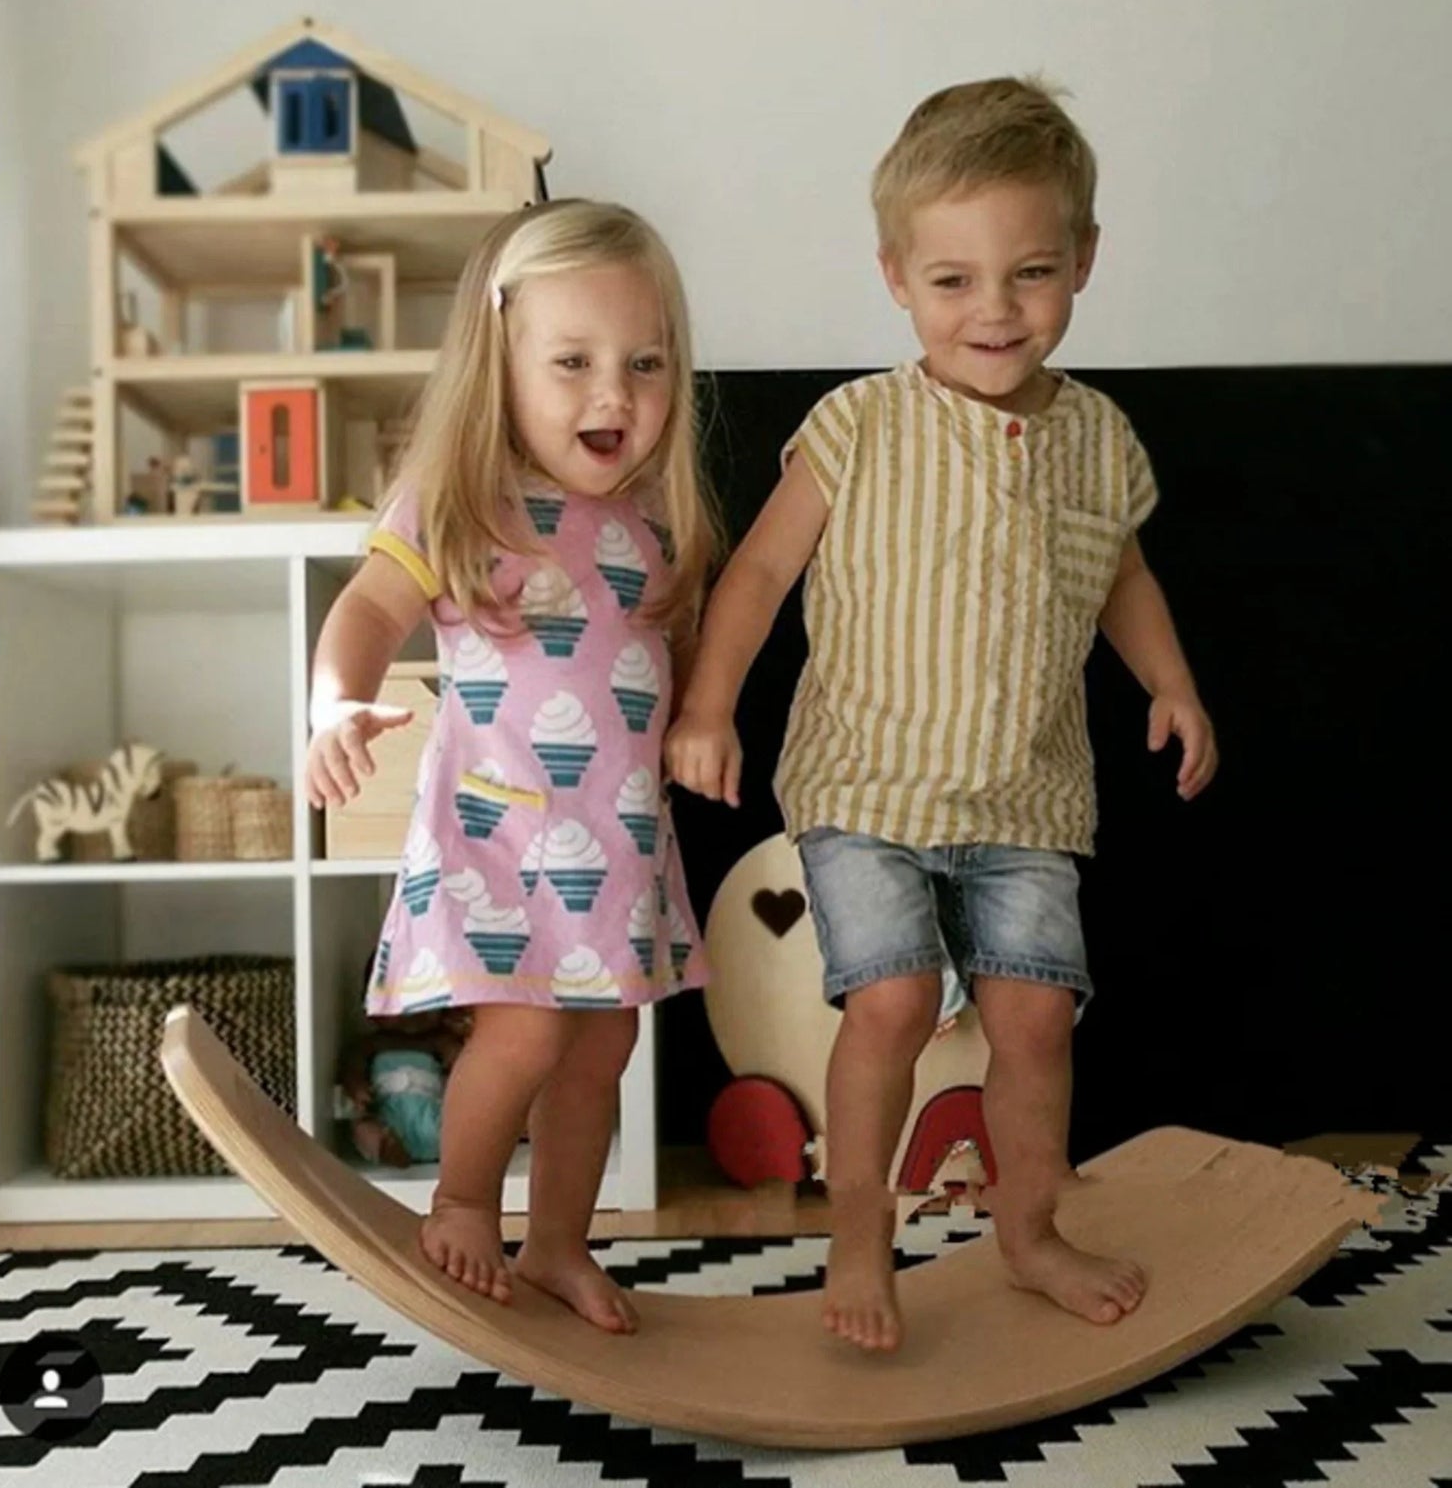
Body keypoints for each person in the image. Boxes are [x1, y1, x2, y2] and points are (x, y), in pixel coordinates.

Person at [666, 78, 1218, 1353]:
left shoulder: (1098, 440)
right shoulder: (858, 426)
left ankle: (1030, 1229)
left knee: (1036, 1018)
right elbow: (759, 573)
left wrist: (1174, 684)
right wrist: (709, 705)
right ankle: (862, 1234)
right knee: (895, 1001)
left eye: (1031, 273)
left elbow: (1122, 577)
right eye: (954, 280)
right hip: (867, 784)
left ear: (1084, 259)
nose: (995, 310)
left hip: (1028, 794)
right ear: (897, 278)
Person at [307, 199, 717, 1334]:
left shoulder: (654, 522)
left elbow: (666, 658)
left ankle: (558, 1243)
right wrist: (334, 703)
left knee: (606, 1040)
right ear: (503, 362)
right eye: (574, 362)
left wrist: (703, 719)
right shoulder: (461, 501)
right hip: (500, 834)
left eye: (644, 363)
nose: (613, 395)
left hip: (617, 836)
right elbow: (366, 609)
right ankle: (464, 1201)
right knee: (526, 1031)